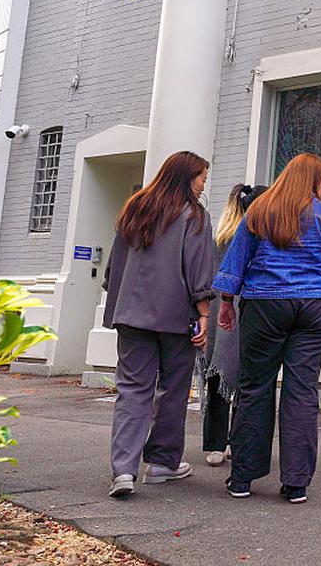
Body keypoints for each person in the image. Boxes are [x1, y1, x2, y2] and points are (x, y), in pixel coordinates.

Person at [213, 154, 321, 504]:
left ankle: (242, 478)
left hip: (264, 304)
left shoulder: (260, 209)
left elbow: (237, 259)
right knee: (302, 390)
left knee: (255, 386)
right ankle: (296, 483)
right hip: (314, 306)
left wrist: (227, 302)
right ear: (311, 180)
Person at [104, 151, 215, 499]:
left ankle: (123, 470)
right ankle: (162, 463)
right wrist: (205, 316)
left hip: (131, 314)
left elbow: (114, 266)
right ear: (187, 178)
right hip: (175, 316)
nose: (203, 186)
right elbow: (198, 271)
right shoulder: (194, 216)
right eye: (202, 179)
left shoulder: (135, 208)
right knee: (173, 390)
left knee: (132, 390)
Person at [200, 184, 267, 466]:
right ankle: (235, 442)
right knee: (246, 379)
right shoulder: (257, 235)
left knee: (218, 377)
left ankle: (215, 444)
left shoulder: (220, 235)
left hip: (219, 311)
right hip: (243, 310)